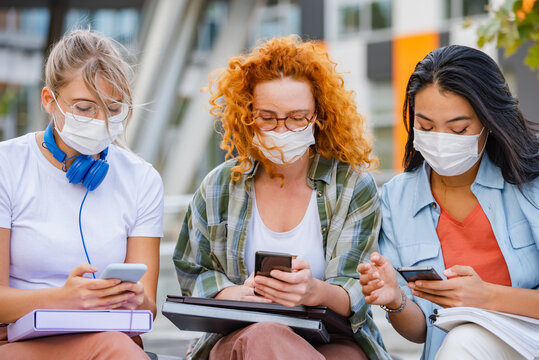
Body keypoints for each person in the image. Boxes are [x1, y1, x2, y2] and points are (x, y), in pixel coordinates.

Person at [173, 36, 389, 360]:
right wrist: (235, 293)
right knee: (265, 335)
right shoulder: (219, 186)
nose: (282, 130)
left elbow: (356, 293)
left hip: (329, 340)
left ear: (319, 116)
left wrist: (314, 291)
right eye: (268, 117)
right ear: (248, 115)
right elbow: (191, 271)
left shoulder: (353, 187)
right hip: (241, 338)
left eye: (297, 117)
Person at [357, 45, 539, 360]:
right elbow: (421, 332)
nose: (440, 139)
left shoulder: (530, 183)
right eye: (425, 127)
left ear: (489, 121)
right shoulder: (396, 199)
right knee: (460, 342)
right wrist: (395, 299)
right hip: (453, 350)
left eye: (458, 129)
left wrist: (485, 297)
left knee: (464, 341)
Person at [0, 30, 164, 359]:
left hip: (108, 338)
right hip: (18, 341)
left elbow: (149, 309)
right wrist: (61, 298)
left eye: (113, 109)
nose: (100, 121)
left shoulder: (142, 178)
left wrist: (134, 299)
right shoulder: (7, 165)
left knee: (117, 346)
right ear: (49, 100)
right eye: (85, 108)